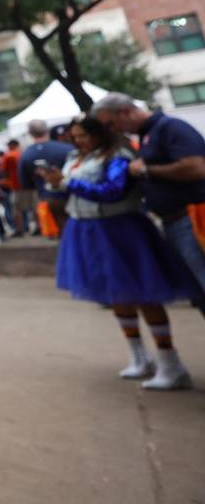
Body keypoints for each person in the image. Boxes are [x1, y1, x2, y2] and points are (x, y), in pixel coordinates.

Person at [44, 117, 195, 390]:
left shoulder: (119, 156)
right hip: (87, 230)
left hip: (121, 229)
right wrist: (55, 183)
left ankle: (169, 361)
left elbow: (112, 191)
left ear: (99, 134)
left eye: (83, 135)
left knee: (143, 293)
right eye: (74, 136)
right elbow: (72, 191)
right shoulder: (76, 157)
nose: (78, 141)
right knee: (117, 294)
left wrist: (66, 183)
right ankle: (139, 355)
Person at [92, 93, 205, 311]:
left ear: (124, 112)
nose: (112, 130)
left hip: (191, 218)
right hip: (175, 221)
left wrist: (146, 170)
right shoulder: (149, 135)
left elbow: (196, 167)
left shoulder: (170, 128)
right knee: (197, 290)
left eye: (110, 124)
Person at [20, 119, 74, 235]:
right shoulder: (66, 148)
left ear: (30, 133)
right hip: (71, 195)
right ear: (47, 130)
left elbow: (25, 184)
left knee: (60, 232)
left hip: (46, 198)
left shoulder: (26, 154)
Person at [0, 139, 26, 236]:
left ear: (11, 145)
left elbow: (3, 171)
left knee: (16, 209)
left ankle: (19, 230)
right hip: (26, 185)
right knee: (28, 209)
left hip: (15, 186)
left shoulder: (8, 156)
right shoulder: (23, 154)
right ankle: (29, 227)